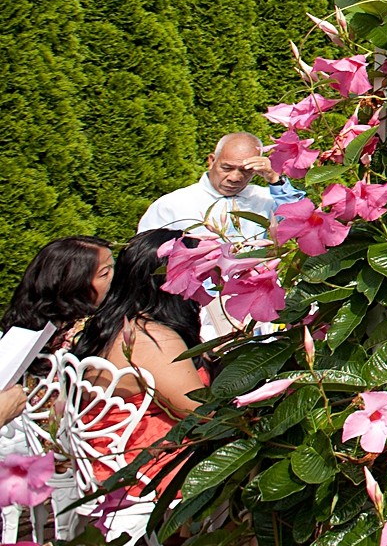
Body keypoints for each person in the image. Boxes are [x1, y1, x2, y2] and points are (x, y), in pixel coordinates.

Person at [72, 230, 209, 489]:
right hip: (146, 471)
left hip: (112, 460)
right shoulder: (151, 338)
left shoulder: (114, 323)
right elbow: (203, 414)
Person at [136, 133, 285, 246]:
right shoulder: (171, 205)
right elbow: (145, 253)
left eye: (246, 170)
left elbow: (298, 219)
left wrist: (275, 179)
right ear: (211, 161)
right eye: (226, 168)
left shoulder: (266, 199)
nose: (235, 177)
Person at [0, 237, 114, 349]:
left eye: (114, 268)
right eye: (105, 273)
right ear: (74, 284)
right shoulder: (89, 334)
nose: (114, 277)